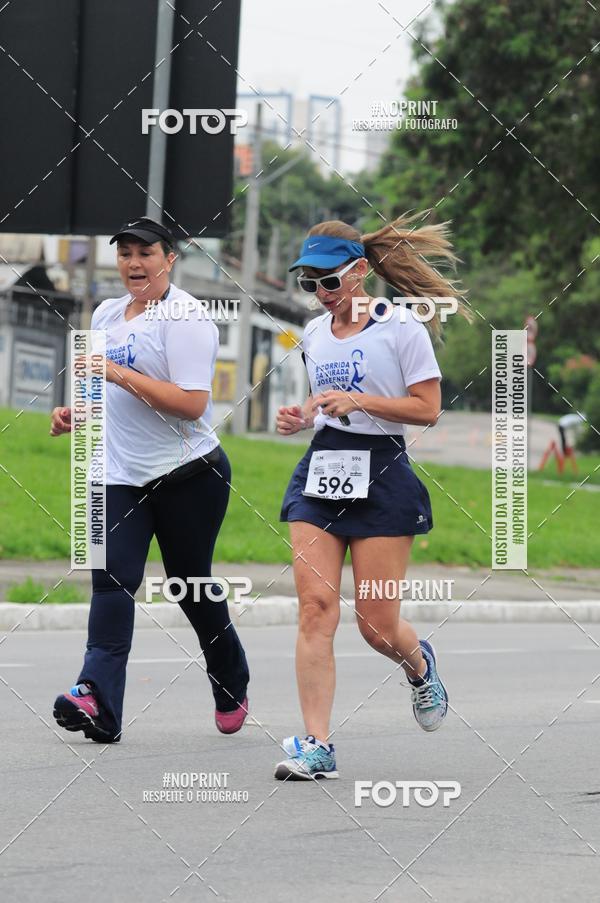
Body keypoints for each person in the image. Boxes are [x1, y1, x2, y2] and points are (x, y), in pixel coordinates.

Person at [274, 213, 468, 780]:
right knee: (315, 607)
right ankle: (317, 745)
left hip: (382, 472)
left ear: (359, 272)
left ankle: (419, 664)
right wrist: (302, 417)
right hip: (325, 467)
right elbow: (323, 404)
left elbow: (427, 409)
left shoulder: (400, 326)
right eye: (309, 282)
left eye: (329, 280)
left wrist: (360, 401)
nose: (320, 292)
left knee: (377, 625)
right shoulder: (313, 333)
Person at [50, 216, 249, 743]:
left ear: (170, 259)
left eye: (146, 253)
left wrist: (117, 373)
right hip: (119, 476)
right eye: (125, 254)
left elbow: (192, 404)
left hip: (189, 474)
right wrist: (75, 414)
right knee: (111, 578)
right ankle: (97, 699)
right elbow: (99, 392)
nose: (134, 264)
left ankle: (231, 677)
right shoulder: (105, 313)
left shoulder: (186, 317)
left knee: (190, 587)